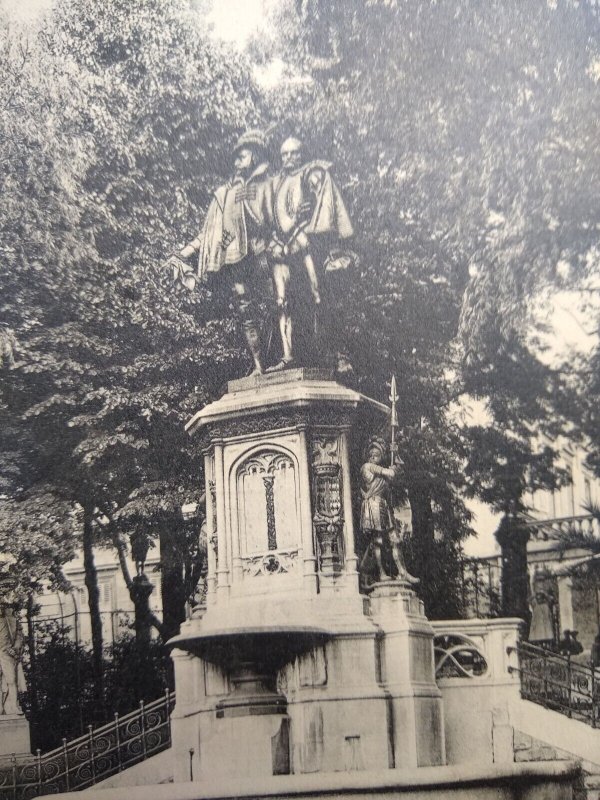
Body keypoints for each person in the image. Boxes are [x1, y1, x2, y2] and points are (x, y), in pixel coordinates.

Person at [176, 130, 273, 375]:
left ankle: (288, 358)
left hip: (264, 256)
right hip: (236, 262)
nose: (236, 162)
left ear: (255, 156)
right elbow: (209, 234)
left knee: (278, 304)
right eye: (236, 157)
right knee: (246, 312)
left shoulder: (270, 182)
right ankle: (259, 366)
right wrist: (184, 252)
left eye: (242, 156)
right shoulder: (224, 194)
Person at [266, 137, 353, 372]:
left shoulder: (311, 172)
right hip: (282, 246)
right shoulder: (277, 181)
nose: (289, 158)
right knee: (284, 302)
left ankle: (338, 354)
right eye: (284, 154)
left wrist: (328, 238)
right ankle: (289, 356)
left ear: (302, 154)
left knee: (319, 296)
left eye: (294, 153)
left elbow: (324, 199)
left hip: (306, 242)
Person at [358, 436, 418, 586]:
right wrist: (391, 470)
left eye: (378, 455)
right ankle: (380, 573)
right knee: (377, 541)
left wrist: (395, 455)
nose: (375, 457)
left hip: (383, 505)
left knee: (395, 539)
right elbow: (390, 474)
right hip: (373, 505)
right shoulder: (367, 467)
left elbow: (396, 472)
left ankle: (402, 571)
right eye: (374, 454)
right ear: (369, 456)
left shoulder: (380, 472)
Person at [0, 603, 25, 716]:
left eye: (9, 607)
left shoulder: (14, 621)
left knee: (11, 680)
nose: (7, 609)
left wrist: (14, 648)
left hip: (7, 654)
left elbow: (19, 637)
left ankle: (13, 706)